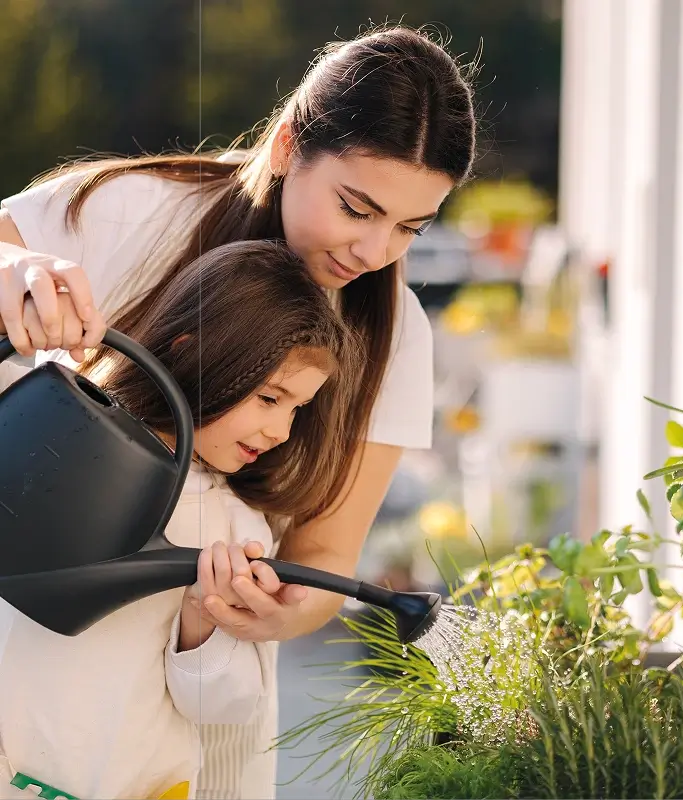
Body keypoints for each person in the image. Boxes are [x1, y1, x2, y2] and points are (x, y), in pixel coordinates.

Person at [0, 24, 477, 798]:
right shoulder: (131, 211)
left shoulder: (396, 340)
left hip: (188, 726)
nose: (375, 251)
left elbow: (326, 558)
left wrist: (270, 615)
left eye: (410, 228)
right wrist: (15, 266)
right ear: (289, 145)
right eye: (358, 208)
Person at [0, 240, 358, 800]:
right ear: (198, 352)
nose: (282, 431)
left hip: (119, 779)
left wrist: (204, 628)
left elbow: (230, 709)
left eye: (297, 408)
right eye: (270, 398)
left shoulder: (235, 527)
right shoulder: (54, 422)